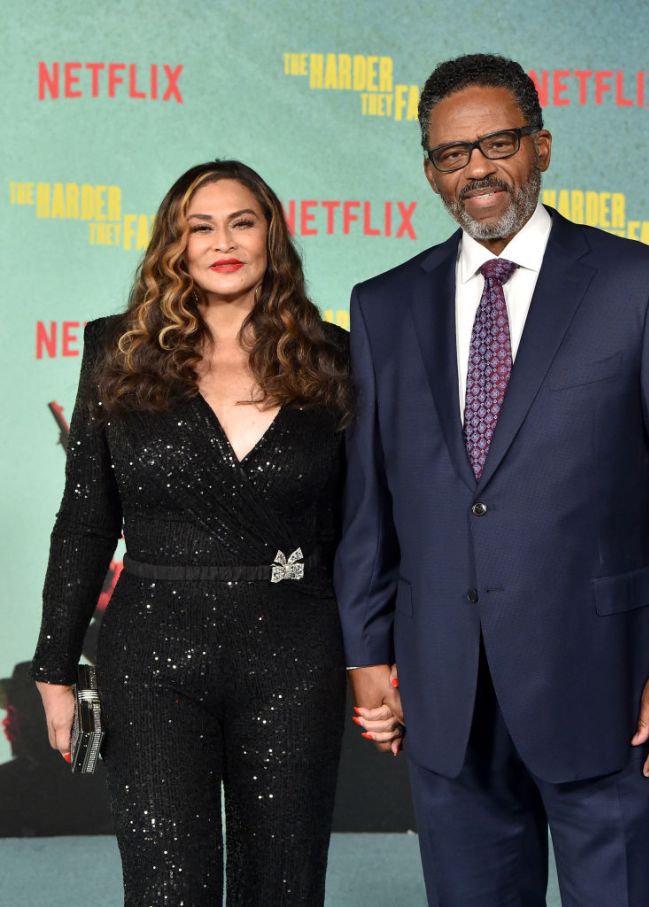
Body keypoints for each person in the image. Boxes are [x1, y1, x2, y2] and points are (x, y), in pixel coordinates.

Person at [335, 54, 649, 907]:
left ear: (542, 146)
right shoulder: (382, 307)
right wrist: (368, 651)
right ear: (430, 171)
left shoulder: (644, 286)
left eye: (498, 143)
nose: (476, 168)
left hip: (613, 688)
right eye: (452, 153)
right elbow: (370, 503)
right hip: (446, 696)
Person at [32, 160, 351, 906]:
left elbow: (357, 527)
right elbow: (85, 518)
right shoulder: (116, 351)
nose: (222, 242)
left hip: (295, 653)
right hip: (151, 656)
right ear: (174, 246)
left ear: (271, 234)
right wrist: (55, 668)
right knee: (167, 887)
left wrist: (376, 656)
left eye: (242, 221)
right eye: (199, 226)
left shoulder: (333, 356)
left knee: (285, 884)